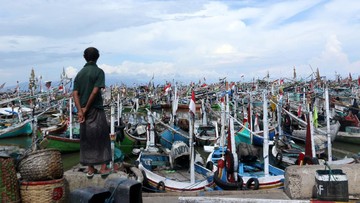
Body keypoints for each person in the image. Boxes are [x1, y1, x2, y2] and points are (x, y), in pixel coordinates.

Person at [73, 47, 112, 178]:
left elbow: (75, 93)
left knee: (87, 138)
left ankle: (90, 169)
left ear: (84, 57)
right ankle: (103, 168)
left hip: (83, 111)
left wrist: (80, 110)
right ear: (98, 57)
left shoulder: (80, 73)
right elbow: (95, 92)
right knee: (102, 136)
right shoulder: (99, 72)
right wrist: (86, 108)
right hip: (95, 108)